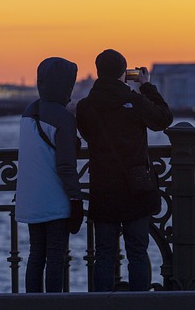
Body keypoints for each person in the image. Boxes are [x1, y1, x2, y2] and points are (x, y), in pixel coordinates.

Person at [76, 49, 173, 292]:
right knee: (137, 252)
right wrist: (146, 87)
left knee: (105, 255)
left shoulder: (86, 107)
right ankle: (139, 303)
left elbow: (87, 134)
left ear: (98, 72)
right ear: (123, 73)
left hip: (103, 190)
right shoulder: (134, 101)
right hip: (136, 188)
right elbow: (164, 119)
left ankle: (102, 304)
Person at [15, 57, 84, 293]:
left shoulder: (29, 111)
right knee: (56, 256)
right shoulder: (63, 118)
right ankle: (54, 302)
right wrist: (76, 199)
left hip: (30, 199)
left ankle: (33, 302)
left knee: (36, 255)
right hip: (54, 199)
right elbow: (66, 165)